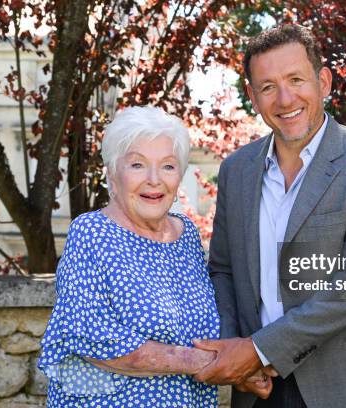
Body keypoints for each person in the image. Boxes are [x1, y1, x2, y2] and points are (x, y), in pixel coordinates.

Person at [193, 25, 346, 407]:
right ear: (253, 97)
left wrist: (258, 350)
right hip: (257, 390)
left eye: (296, 79)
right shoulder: (236, 171)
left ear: (323, 82)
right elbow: (222, 270)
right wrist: (234, 355)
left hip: (345, 387)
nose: (285, 98)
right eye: (268, 86)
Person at [38, 106, 269, 407]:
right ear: (111, 173)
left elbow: (202, 327)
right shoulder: (91, 233)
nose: (154, 179)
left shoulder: (185, 234)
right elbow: (97, 340)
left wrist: (242, 365)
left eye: (168, 166)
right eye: (137, 165)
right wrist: (219, 364)